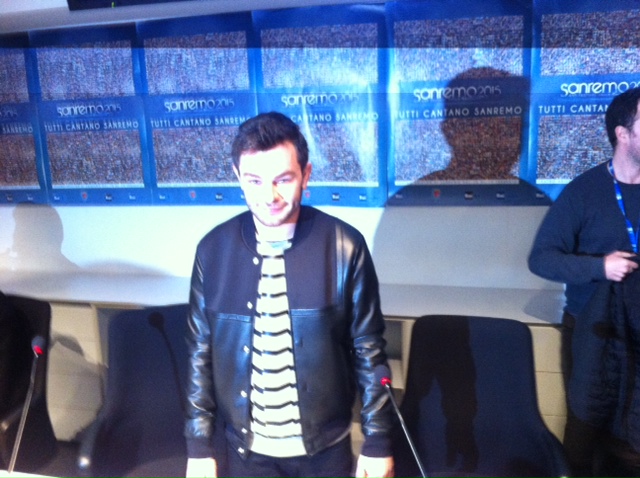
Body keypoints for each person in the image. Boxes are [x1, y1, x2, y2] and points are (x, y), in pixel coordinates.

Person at [184, 112, 394, 478]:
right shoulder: (212, 250)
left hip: (325, 452)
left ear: (306, 175)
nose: (269, 196)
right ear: (238, 177)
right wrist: (199, 446)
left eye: (283, 179)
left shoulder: (344, 246)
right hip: (245, 454)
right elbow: (200, 353)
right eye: (254, 181)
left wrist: (377, 441)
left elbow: (368, 348)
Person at [528, 87, 640, 477]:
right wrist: (600, 267)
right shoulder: (584, 192)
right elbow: (541, 259)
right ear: (623, 134)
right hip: (594, 333)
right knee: (585, 435)